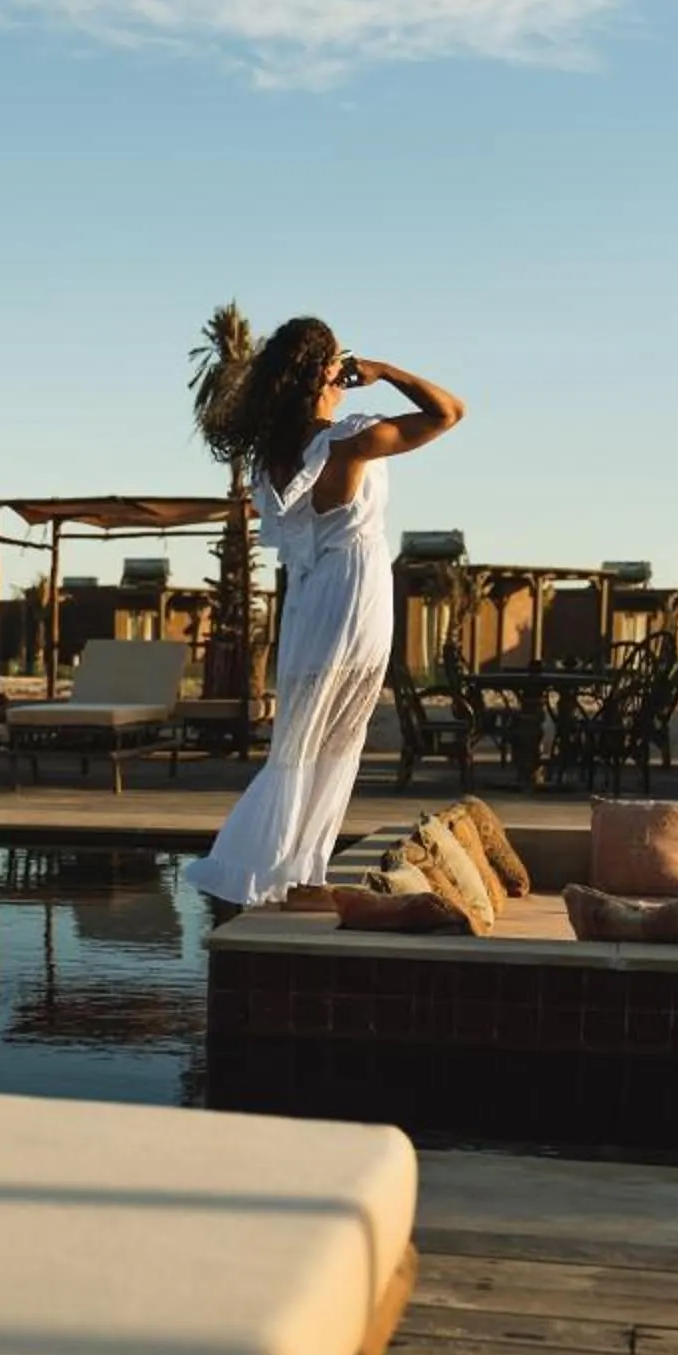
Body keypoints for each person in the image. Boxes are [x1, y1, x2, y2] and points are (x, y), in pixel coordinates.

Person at [197, 319, 464, 918]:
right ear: (325, 369)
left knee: (304, 734)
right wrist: (386, 370)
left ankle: (299, 874)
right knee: (337, 735)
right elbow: (450, 411)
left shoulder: (277, 456)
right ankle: (295, 872)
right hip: (353, 588)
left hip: (308, 597)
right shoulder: (349, 439)